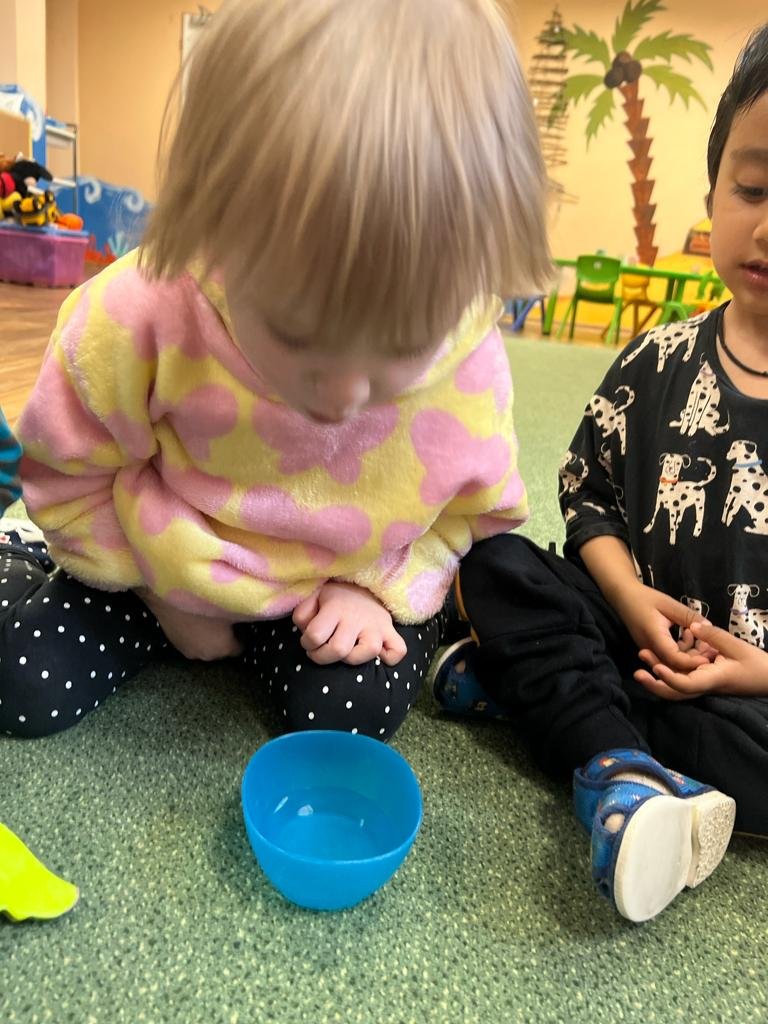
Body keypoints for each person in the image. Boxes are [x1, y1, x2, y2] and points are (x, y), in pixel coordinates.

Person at [0, 0, 549, 742]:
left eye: (400, 351)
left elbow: (465, 517)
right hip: (150, 570)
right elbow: (67, 470)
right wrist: (160, 597)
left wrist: (374, 592)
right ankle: (23, 558)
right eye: (298, 337)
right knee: (21, 679)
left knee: (351, 717)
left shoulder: (470, 360)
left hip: (323, 595)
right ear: (214, 227)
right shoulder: (143, 311)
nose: (343, 398)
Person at [434, 23, 768, 923]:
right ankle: (620, 767)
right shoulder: (657, 361)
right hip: (628, 631)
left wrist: (754, 673)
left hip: (749, 696)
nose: (767, 227)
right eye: (751, 189)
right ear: (713, 190)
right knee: (496, 562)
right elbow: (588, 500)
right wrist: (627, 598)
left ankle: (566, 713)